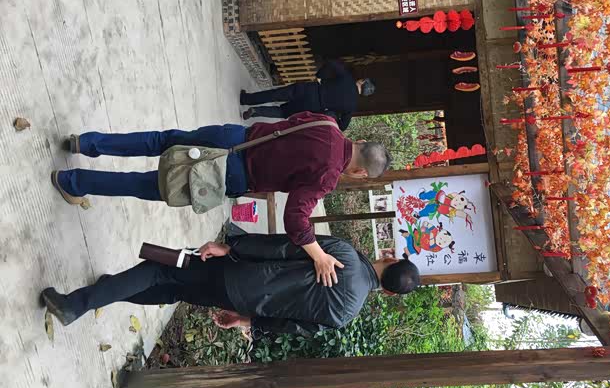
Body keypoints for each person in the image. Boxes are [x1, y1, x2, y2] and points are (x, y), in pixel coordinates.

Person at [52, 111, 391, 287]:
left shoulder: (327, 123)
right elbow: (295, 220)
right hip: (231, 173)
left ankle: (87, 142)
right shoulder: (327, 177)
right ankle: (73, 181)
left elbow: (287, 125)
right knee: (150, 186)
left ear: (361, 142)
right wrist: (319, 255)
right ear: (360, 173)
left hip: (234, 138)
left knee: (163, 141)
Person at [40, 233, 421, 337]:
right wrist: (245, 320)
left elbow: (282, 247)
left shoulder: (343, 254)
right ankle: (112, 288)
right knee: (175, 289)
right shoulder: (346, 314)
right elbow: (291, 326)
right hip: (240, 300)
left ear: (389, 260)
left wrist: (231, 246)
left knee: (159, 269)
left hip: (237, 273)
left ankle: (76, 304)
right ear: (388, 293)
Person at [240, 60, 375, 131]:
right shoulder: (351, 106)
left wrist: (320, 76)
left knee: (275, 94)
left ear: (362, 81)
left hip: (310, 89)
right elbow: (342, 127)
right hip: (314, 106)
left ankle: (246, 99)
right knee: (283, 111)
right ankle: (255, 112)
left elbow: (332, 63)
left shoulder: (347, 78)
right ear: (364, 94)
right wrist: (332, 114)